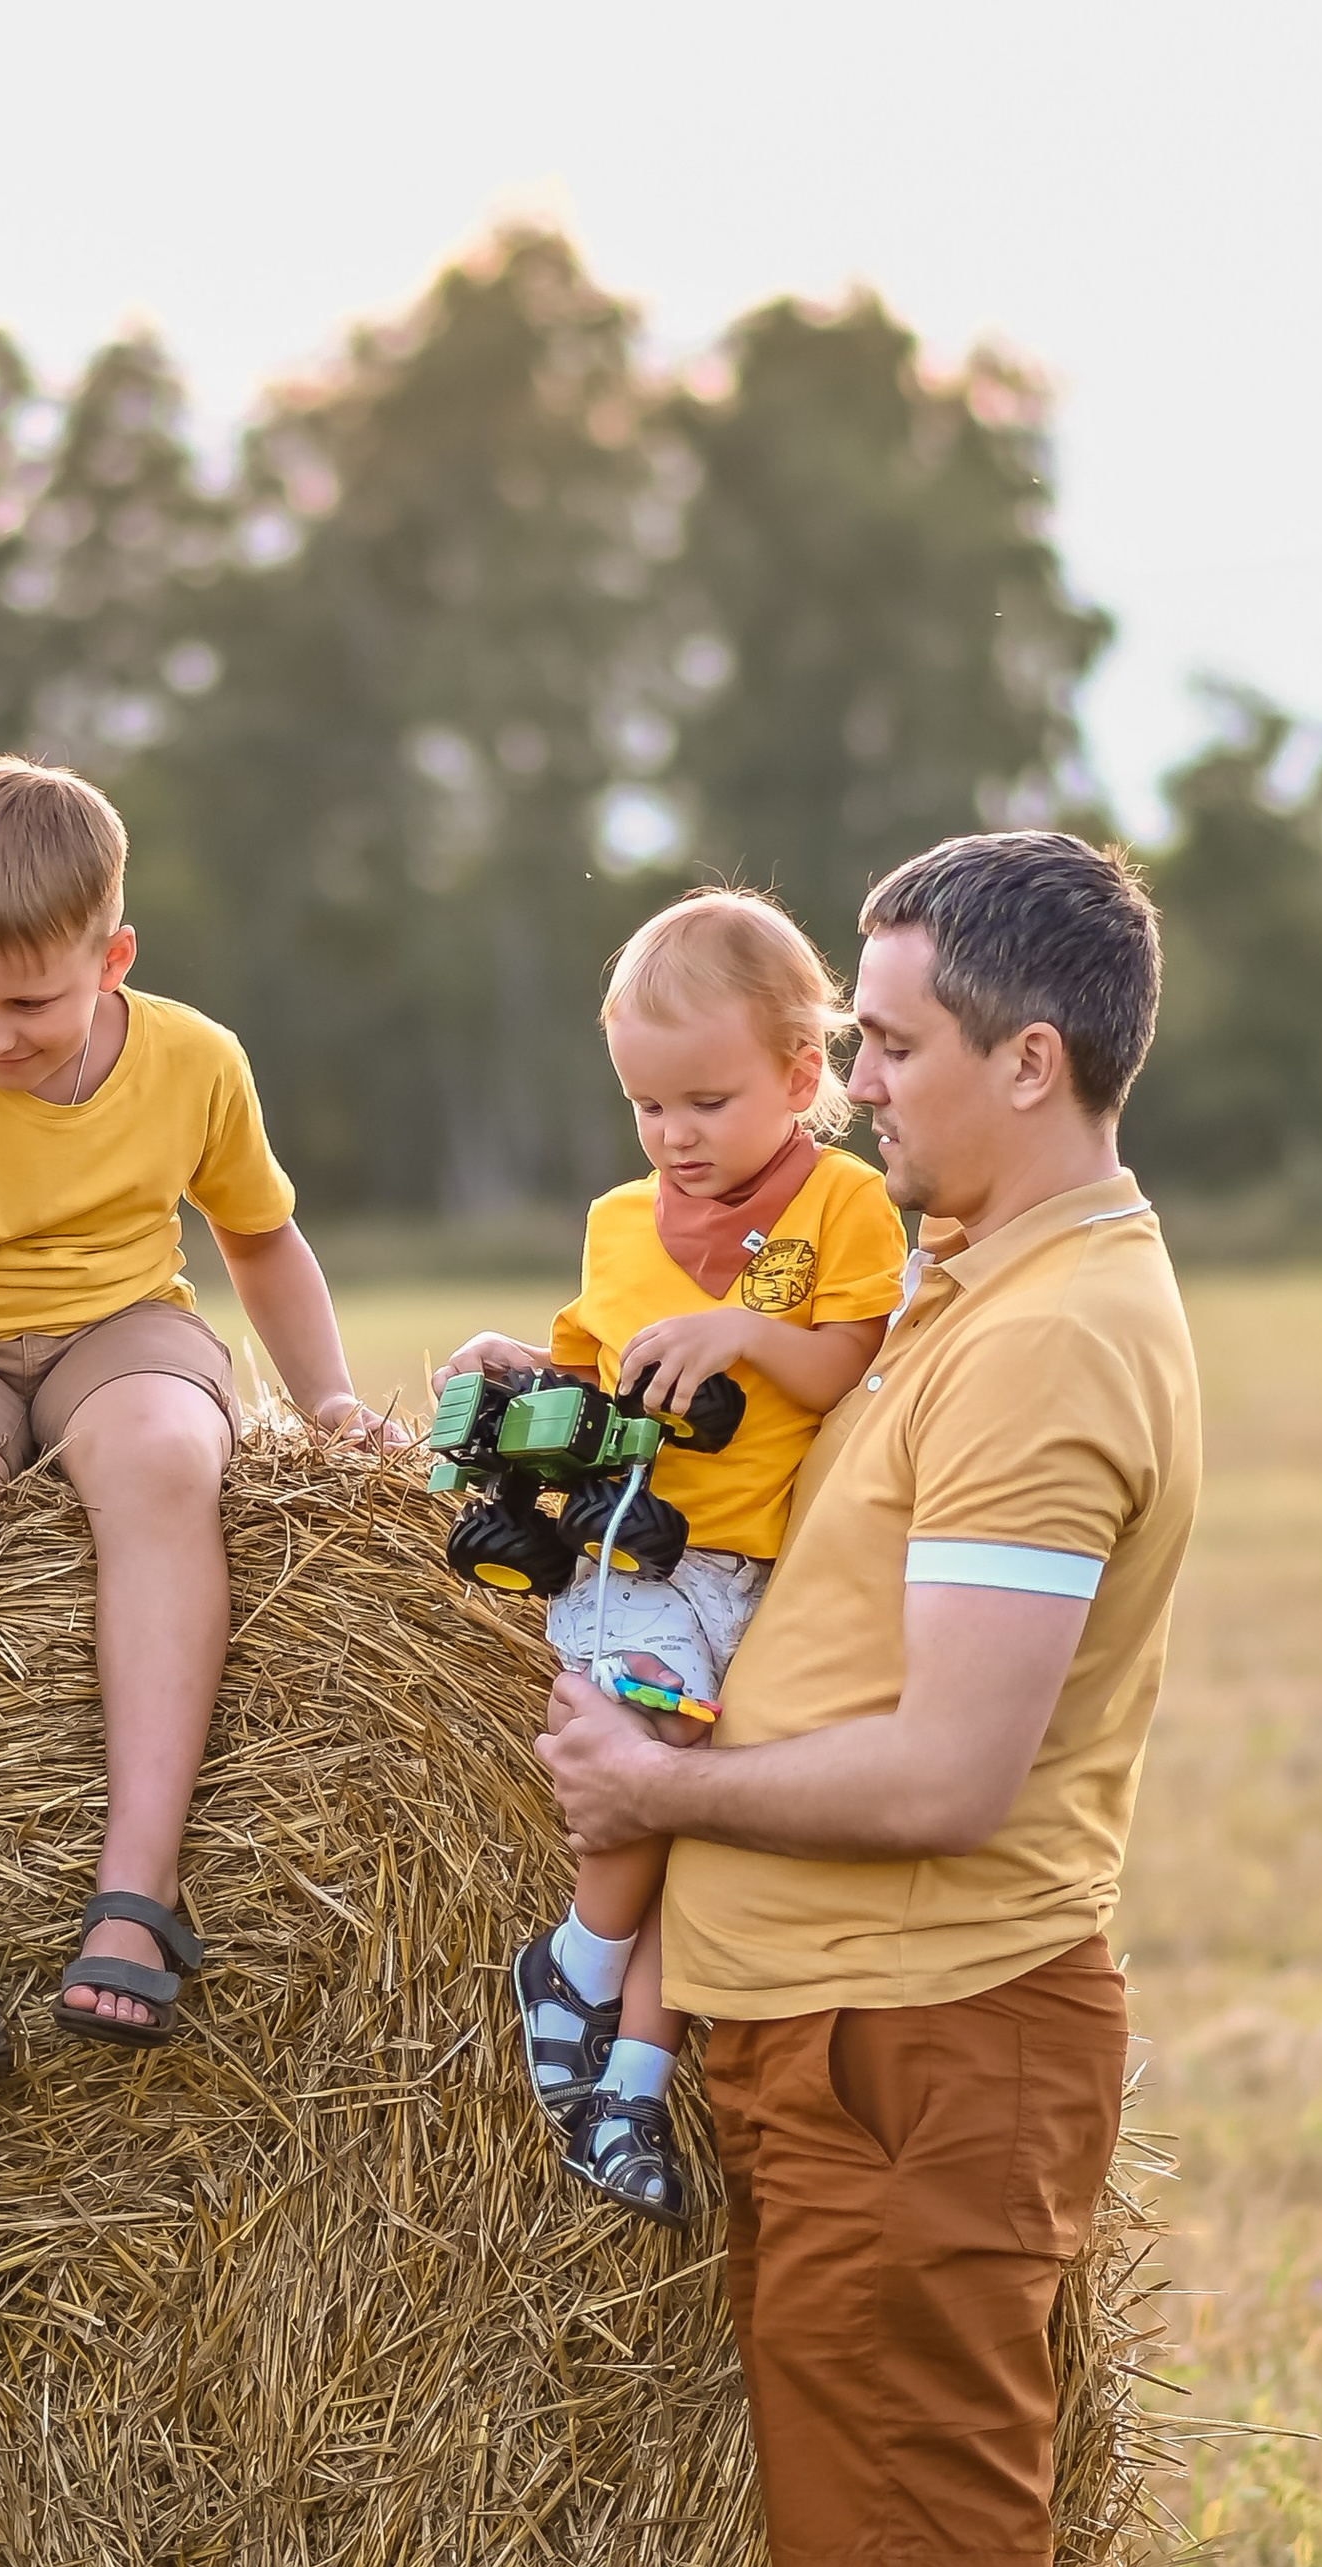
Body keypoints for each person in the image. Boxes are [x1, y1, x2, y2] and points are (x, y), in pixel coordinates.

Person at [535, 831, 1198, 2567]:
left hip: (919, 2050)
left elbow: (948, 1772)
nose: (856, 1086)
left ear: (1029, 1061)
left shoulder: (1038, 1348)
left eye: (892, 1045)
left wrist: (661, 1791)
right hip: (841, 2036)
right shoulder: (964, 1281)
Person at [0, 756, 393, 2088]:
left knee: (164, 1455)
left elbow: (261, 1238)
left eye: (29, 1001)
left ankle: (135, 1894)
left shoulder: (195, 1062)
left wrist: (326, 1396)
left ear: (114, 958)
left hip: (119, 1325)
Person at [434, 892, 904, 2220]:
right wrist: (510, 1363)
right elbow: (586, 1378)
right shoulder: (616, 1223)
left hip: (769, 1579)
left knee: (711, 1829)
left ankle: (633, 2084)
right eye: (646, 1106)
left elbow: (854, 1362)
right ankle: (578, 1968)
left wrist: (743, 1334)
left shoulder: (847, 1207)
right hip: (637, 1564)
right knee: (667, 1750)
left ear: (801, 1078)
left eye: (705, 1101)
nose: (672, 1135)